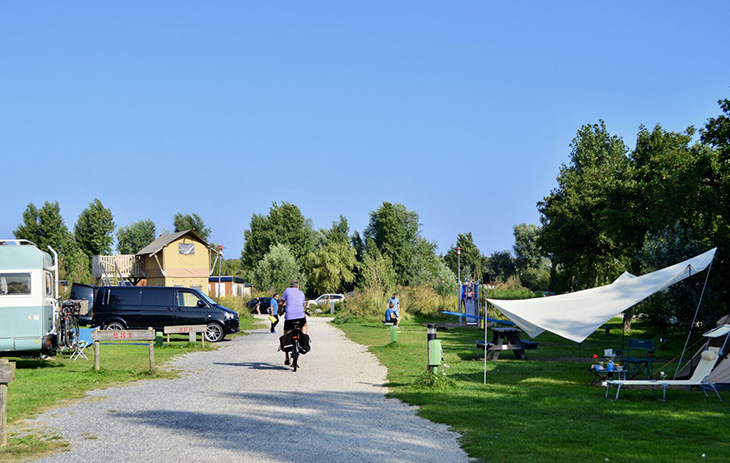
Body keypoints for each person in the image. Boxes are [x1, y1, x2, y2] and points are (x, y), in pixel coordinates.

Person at [280, 280, 308, 366]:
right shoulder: (302, 293)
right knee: (304, 325)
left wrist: (280, 311)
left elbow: (281, 303)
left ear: (291, 286)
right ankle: (303, 339)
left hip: (289, 317)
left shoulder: (287, 290)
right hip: (300, 317)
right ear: (298, 287)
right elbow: (303, 305)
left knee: (286, 331)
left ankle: (286, 356)